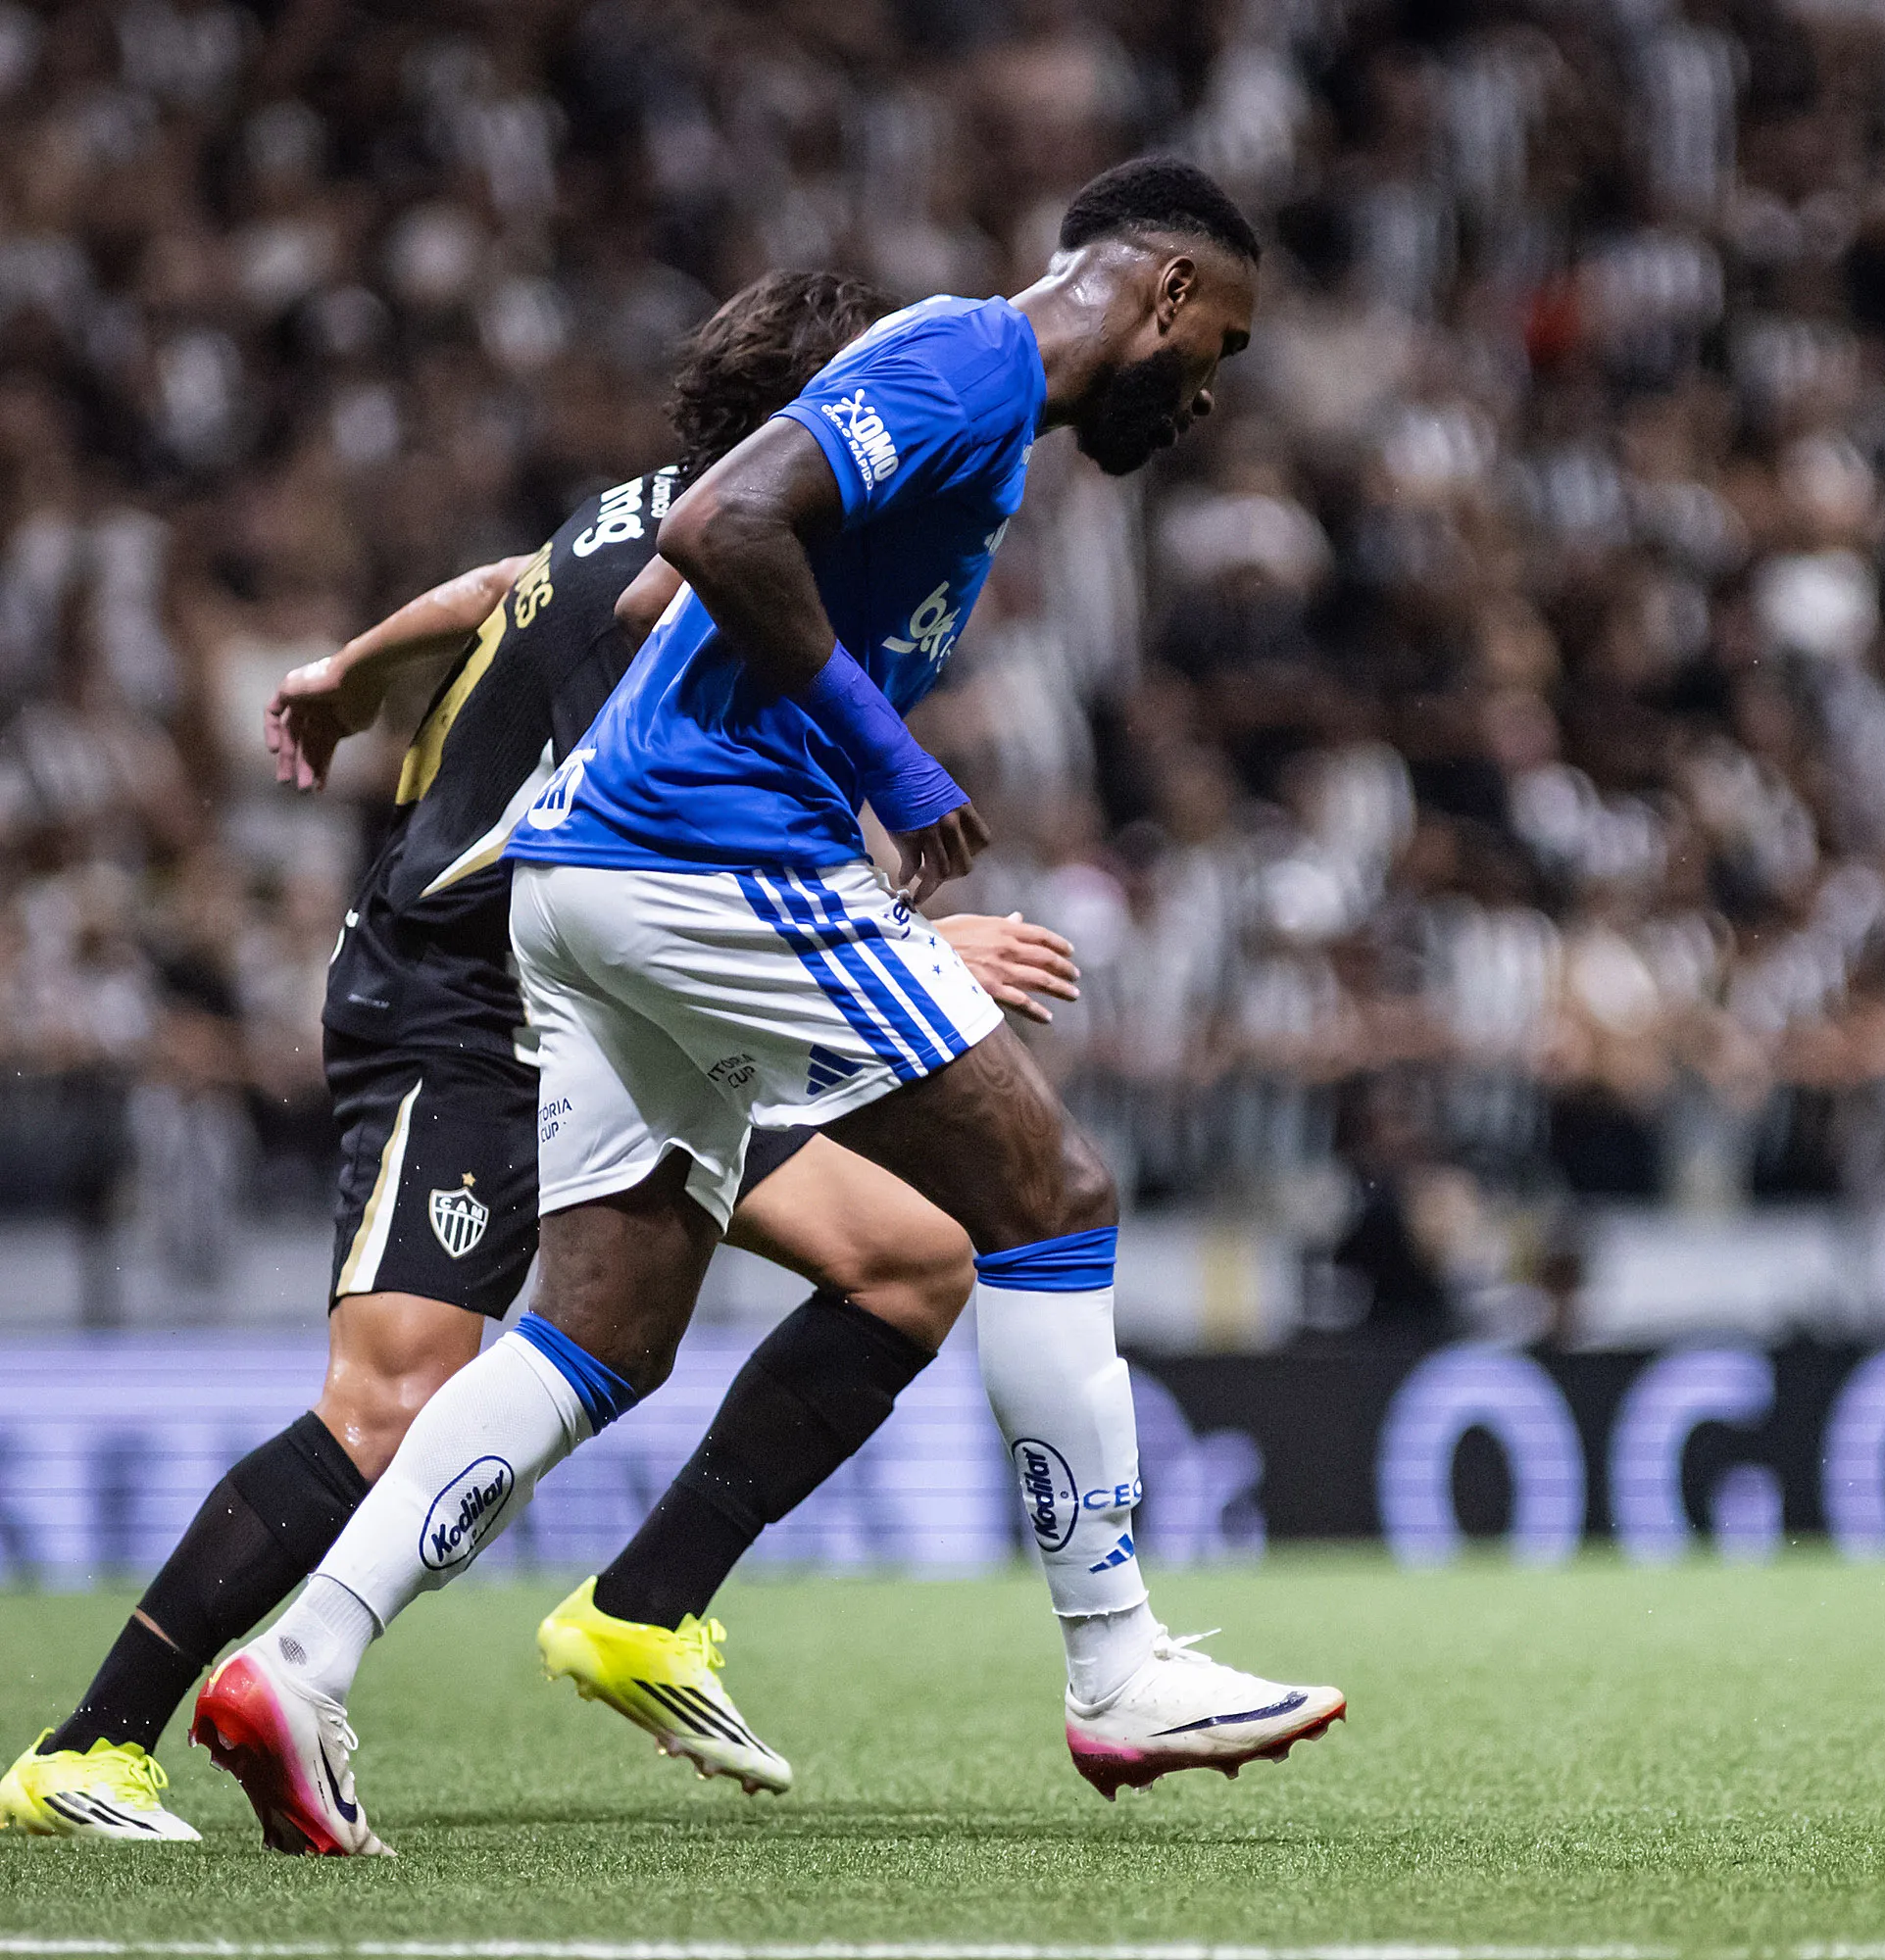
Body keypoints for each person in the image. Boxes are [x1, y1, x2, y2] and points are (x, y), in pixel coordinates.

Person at [191, 158, 1343, 1859]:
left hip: (586, 880)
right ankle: (1118, 1670)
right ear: (1166, 296)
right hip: (706, 861)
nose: (1211, 389)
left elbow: (666, 591)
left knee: (598, 1331)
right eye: (1223, 345)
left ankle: (297, 1663)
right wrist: (882, 760)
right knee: (1050, 1203)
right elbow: (706, 530)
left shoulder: (971, 414)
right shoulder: (967, 359)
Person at [0, 270, 1077, 1845]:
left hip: (621, 1006)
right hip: (469, 1000)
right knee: (388, 1403)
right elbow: (651, 818)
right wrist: (904, 949)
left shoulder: (645, 514)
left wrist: (350, 669)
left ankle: (645, 1609)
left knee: (910, 1259)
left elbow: (503, 582)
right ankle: (88, 1746)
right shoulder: (706, 564)